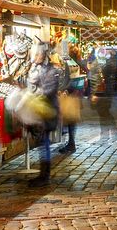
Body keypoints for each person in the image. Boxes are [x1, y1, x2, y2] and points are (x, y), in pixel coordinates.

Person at [27, 41, 63, 185]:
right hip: (41, 111)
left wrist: (33, 93)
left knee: (44, 143)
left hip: (48, 111)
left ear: (43, 55)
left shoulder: (51, 71)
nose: (35, 57)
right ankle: (44, 174)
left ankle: (45, 175)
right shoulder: (37, 68)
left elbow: (47, 91)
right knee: (43, 143)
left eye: (37, 54)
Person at [57, 46, 87, 153]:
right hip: (74, 95)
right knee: (70, 120)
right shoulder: (74, 62)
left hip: (72, 96)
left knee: (71, 120)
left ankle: (71, 144)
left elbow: (72, 80)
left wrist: (63, 89)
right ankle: (70, 143)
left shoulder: (72, 63)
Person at [93, 49, 117, 142]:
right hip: (108, 89)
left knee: (103, 112)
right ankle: (114, 133)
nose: (106, 53)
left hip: (107, 90)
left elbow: (105, 72)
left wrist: (100, 68)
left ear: (112, 54)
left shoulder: (111, 63)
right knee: (105, 112)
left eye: (109, 52)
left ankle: (105, 136)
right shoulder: (113, 62)